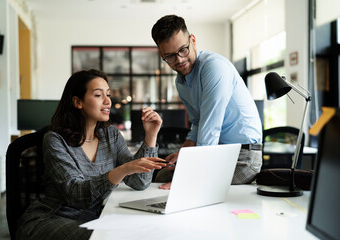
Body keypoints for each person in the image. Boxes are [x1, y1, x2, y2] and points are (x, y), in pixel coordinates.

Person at [16, 69, 166, 240]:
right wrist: (121, 170)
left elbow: (140, 182)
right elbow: (76, 194)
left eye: (108, 94)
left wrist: (151, 135)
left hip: (95, 219)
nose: (108, 101)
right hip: (52, 218)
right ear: (78, 102)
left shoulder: (111, 136)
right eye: (98, 95)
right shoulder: (55, 140)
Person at [151, 15, 263, 189]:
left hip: (243, 157)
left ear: (193, 40)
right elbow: (198, 123)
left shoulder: (214, 68)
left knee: (191, 187)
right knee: (162, 177)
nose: (179, 59)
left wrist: (191, 175)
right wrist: (184, 151)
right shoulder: (181, 82)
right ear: (161, 55)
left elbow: (210, 127)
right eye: (170, 56)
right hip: (217, 152)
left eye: (183, 50)